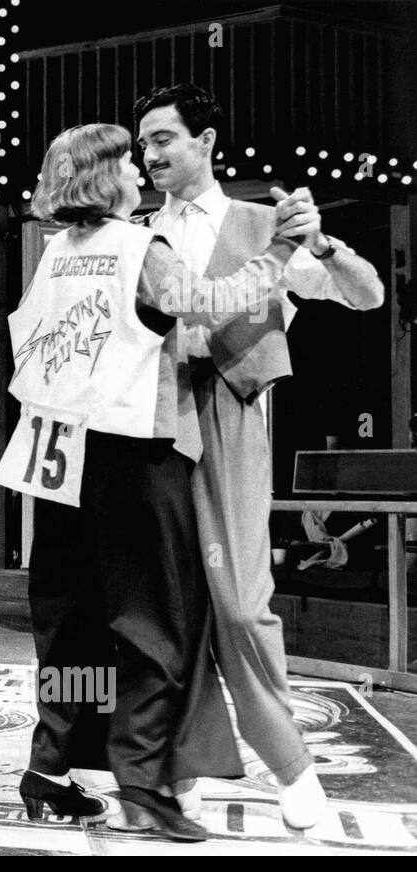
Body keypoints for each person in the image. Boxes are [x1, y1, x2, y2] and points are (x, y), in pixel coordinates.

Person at [0, 122, 307, 841]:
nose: (143, 169)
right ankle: (144, 785)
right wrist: (283, 251)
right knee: (155, 630)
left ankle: (48, 768)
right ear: (111, 178)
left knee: (67, 629)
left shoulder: (55, 254)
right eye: (130, 162)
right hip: (133, 455)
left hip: (52, 459)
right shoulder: (141, 247)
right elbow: (215, 300)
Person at [135, 84, 385, 829]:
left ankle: (290, 761)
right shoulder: (138, 232)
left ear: (207, 142)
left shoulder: (261, 223)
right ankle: (184, 763)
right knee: (171, 612)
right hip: (148, 421)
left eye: (162, 139)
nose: (148, 155)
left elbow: (368, 297)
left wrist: (323, 244)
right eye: (142, 143)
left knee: (242, 605)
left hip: (230, 419)